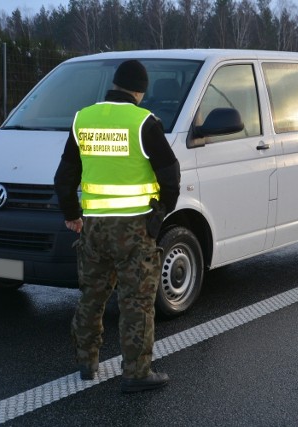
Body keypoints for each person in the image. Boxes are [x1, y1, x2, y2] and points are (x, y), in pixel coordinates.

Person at [54, 59, 180, 393]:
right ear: (140, 89)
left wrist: (72, 214)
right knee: (135, 302)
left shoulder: (84, 119)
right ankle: (137, 374)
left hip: (94, 229)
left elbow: (64, 177)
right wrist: (161, 212)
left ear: (114, 84)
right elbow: (171, 173)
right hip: (135, 231)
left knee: (91, 297)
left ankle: (86, 363)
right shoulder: (143, 122)